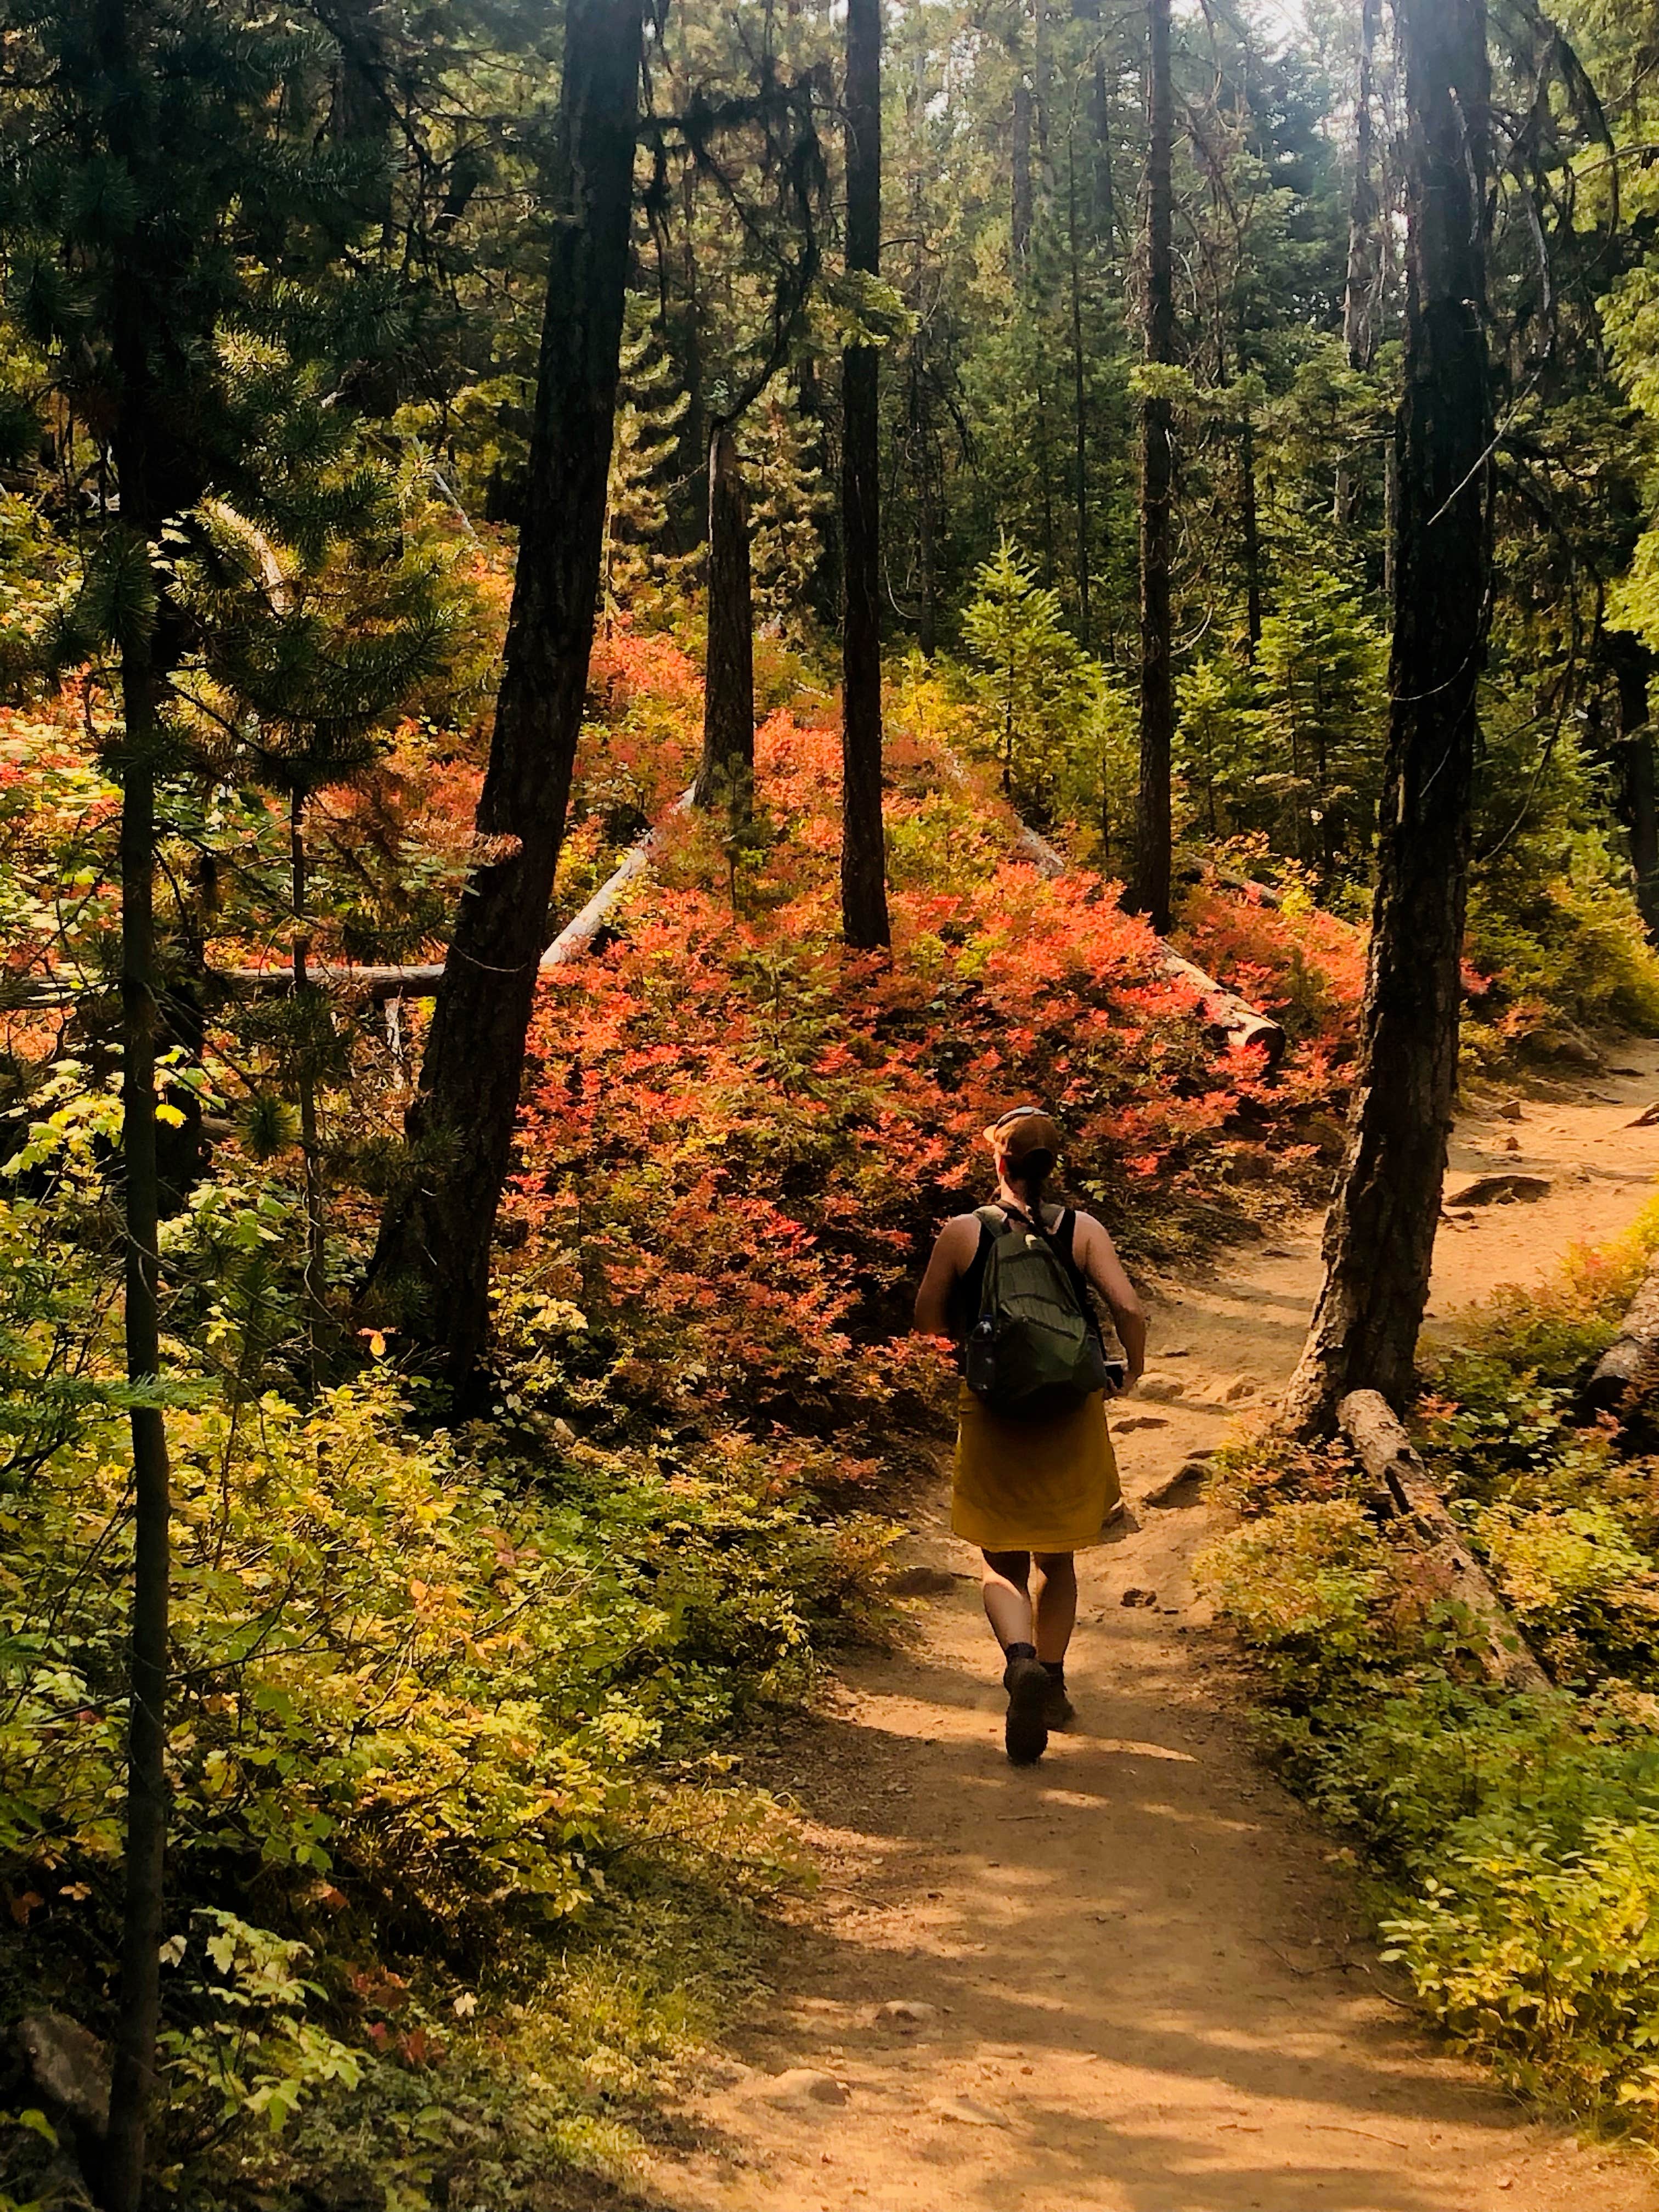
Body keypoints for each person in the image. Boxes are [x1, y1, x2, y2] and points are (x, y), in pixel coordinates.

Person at [913, 1106, 1147, 1765]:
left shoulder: (966, 1231)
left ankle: (1019, 1662)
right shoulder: (1083, 1229)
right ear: (1055, 1164)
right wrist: (1132, 1366)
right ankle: (1053, 1679)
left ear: (999, 1160)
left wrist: (972, 1333)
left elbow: (927, 1318)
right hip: (1072, 1408)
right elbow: (1129, 1307)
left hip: (992, 1408)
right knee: (1059, 1557)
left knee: (999, 1557)